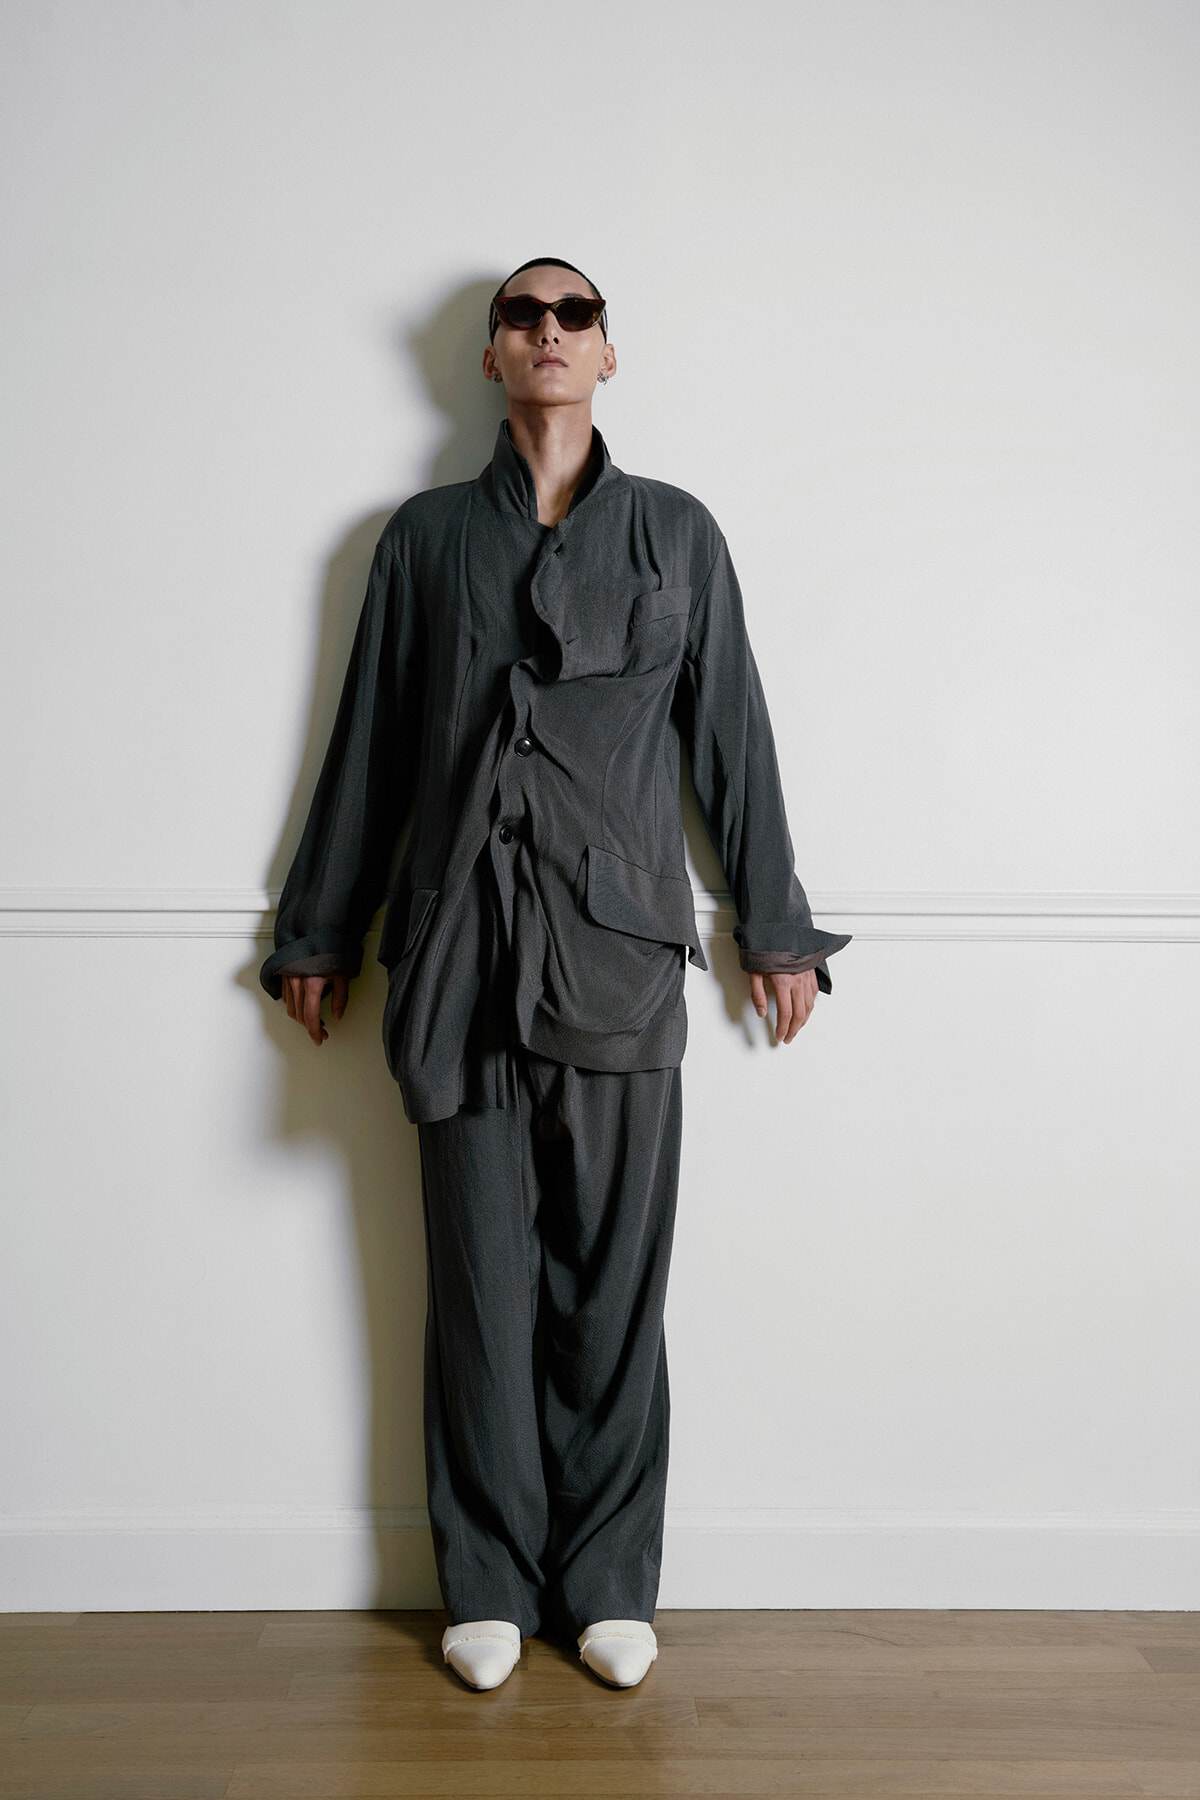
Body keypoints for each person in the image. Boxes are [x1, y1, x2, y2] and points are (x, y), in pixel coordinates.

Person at [260, 257, 850, 1691]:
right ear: (490, 356)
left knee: (613, 1291)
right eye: (522, 315)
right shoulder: (422, 542)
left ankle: (608, 1583)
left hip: (621, 958)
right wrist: (320, 930)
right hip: (459, 961)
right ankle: (488, 1582)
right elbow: (369, 745)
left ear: (606, 353)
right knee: (479, 1286)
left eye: (574, 314)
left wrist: (775, 928)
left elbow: (734, 737)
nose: (548, 332)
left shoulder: (677, 535)